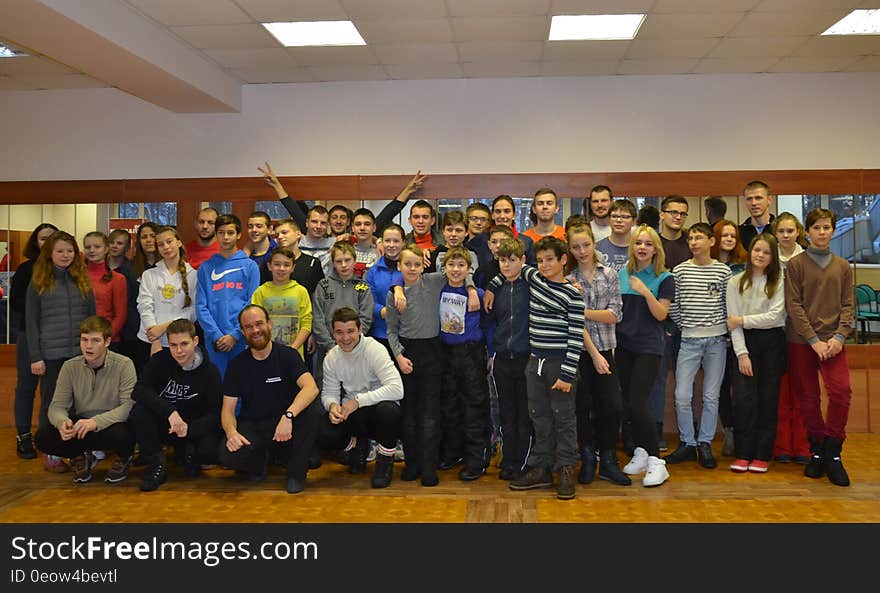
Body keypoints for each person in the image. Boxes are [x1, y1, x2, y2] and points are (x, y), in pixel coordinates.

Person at [485, 237, 585, 500]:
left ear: (563, 260)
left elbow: (576, 337)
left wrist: (566, 373)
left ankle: (564, 468)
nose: (544, 264)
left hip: (559, 363)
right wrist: (491, 288)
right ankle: (541, 467)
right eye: (540, 260)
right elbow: (507, 272)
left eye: (550, 259)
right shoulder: (534, 277)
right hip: (534, 362)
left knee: (563, 418)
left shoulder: (573, 294)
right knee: (538, 417)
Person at [385, 244, 478, 487]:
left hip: (432, 353)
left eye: (417, 264)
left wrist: (472, 288)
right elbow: (391, 330)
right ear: (399, 266)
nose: (412, 269)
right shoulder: (394, 294)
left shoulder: (434, 281)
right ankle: (412, 464)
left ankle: (428, 465)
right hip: (406, 353)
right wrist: (399, 356)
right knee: (409, 414)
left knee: (430, 414)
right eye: (407, 264)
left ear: (423, 265)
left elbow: (460, 269)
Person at [218, 304, 322, 494]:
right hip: (256, 426)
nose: (255, 330)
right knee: (227, 455)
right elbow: (227, 410)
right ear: (242, 331)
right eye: (248, 327)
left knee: (313, 411)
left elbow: (311, 388)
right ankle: (261, 462)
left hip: (287, 427)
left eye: (259, 324)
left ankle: (295, 474)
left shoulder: (288, 355)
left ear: (270, 324)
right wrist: (231, 432)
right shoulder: (236, 365)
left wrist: (288, 415)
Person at [784, 208, 854, 487]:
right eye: (816, 228)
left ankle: (833, 451)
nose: (822, 232)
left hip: (834, 343)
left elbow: (848, 305)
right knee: (809, 398)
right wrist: (813, 341)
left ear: (833, 230)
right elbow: (794, 305)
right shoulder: (797, 264)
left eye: (826, 227)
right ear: (808, 232)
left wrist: (838, 338)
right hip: (803, 342)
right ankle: (816, 449)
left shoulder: (843, 266)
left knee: (841, 393)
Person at [34, 315, 136, 484]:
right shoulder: (70, 366)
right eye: (84, 340)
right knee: (43, 436)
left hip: (112, 424)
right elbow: (56, 406)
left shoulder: (124, 364)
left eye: (95, 340)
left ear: (107, 342)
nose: (89, 346)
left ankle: (124, 458)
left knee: (126, 433)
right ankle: (79, 456)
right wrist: (62, 422)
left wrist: (96, 422)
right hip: (82, 425)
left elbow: (128, 407)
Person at [565, 221, 629, 486]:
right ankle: (588, 457)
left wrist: (581, 312)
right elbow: (571, 323)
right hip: (578, 353)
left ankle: (609, 459)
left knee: (612, 406)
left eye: (586, 245)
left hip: (606, 351)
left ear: (594, 243)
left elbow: (615, 315)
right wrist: (581, 317)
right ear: (569, 249)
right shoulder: (568, 280)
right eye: (576, 247)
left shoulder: (609, 275)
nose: (582, 251)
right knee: (581, 408)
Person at [27, 230, 96, 472]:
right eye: (60, 251)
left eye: (69, 251)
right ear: (50, 254)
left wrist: (93, 350)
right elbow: (31, 322)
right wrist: (36, 356)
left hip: (79, 354)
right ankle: (53, 452)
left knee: (78, 404)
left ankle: (75, 451)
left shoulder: (82, 279)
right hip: (51, 355)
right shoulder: (38, 281)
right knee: (51, 404)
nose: (65, 255)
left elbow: (92, 319)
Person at [664, 222, 732, 470]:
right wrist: (687, 327)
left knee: (711, 396)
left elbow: (728, 305)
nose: (693, 242)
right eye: (690, 238)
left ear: (711, 242)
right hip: (689, 340)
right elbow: (673, 305)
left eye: (699, 238)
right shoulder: (680, 271)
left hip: (716, 342)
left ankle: (704, 442)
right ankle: (687, 443)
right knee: (682, 395)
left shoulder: (723, 272)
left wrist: (722, 330)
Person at [130, 318, 223, 492]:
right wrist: (169, 412)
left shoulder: (210, 372)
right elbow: (139, 390)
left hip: (192, 426)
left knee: (211, 450)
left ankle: (188, 451)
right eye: (173, 345)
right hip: (166, 423)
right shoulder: (159, 361)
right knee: (139, 413)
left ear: (195, 341)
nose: (179, 351)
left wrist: (190, 429)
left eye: (184, 344)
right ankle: (157, 464)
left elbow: (216, 414)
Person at [319, 307, 403, 488]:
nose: (346, 338)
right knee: (323, 426)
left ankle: (385, 459)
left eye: (350, 331)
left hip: (378, 408)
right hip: (352, 412)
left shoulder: (374, 349)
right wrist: (332, 406)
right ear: (333, 333)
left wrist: (358, 401)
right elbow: (329, 393)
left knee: (388, 412)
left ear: (360, 329)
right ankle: (357, 446)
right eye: (339, 333)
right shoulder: (332, 357)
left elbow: (397, 389)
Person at [617, 226, 674, 487]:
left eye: (648, 244)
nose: (642, 247)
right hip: (624, 346)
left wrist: (645, 291)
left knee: (639, 402)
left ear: (655, 249)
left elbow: (662, 315)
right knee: (628, 403)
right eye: (638, 243)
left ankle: (656, 460)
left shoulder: (665, 277)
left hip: (649, 348)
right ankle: (641, 450)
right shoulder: (622, 274)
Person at [726, 234, 786, 474]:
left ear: (773, 257)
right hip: (744, 345)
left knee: (768, 399)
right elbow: (732, 323)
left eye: (766, 252)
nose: (760, 255)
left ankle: (762, 454)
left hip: (772, 343)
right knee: (743, 401)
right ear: (750, 252)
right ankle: (743, 453)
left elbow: (776, 317)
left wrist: (743, 319)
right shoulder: (735, 282)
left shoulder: (779, 282)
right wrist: (742, 354)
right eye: (756, 250)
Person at [259, 162, 426, 242]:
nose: (338, 221)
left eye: (342, 217)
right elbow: (294, 209)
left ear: (349, 223)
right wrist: (277, 185)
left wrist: (409, 190)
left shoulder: (362, 237)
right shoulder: (316, 235)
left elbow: (389, 212)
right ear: (328, 222)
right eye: (334, 217)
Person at [436, 246, 491, 481]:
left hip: (471, 353)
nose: (456, 270)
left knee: (473, 406)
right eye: (451, 265)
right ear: (444, 267)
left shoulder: (477, 294)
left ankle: (476, 459)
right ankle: (452, 452)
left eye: (461, 266)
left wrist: (490, 355)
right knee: (449, 405)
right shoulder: (437, 290)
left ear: (469, 269)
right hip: (445, 352)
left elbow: (488, 325)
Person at [485, 238, 533, 481]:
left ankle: (523, 461)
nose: (507, 265)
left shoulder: (531, 285)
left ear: (523, 261)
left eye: (512, 260)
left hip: (526, 357)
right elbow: (490, 323)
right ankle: (509, 459)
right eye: (503, 260)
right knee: (506, 413)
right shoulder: (496, 288)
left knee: (524, 414)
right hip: (502, 357)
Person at [647, 195, 692, 451]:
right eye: (673, 212)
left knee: (687, 381)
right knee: (657, 379)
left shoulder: (691, 243)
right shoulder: (652, 243)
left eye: (682, 213)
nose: (677, 217)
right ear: (662, 215)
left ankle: (691, 434)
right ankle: (655, 429)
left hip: (688, 322)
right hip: (658, 321)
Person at [10, 223, 57, 459]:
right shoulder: (25, 270)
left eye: (52, 238)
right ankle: (24, 437)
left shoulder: (65, 269)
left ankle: (48, 439)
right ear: (35, 243)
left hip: (56, 338)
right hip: (29, 336)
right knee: (26, 388)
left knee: (53, 392)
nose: (47, 243)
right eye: (42, 239)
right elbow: (17, 305)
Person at [196, 214, 261, 378]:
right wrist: (217, 335)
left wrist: (235, 334)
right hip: (214, 340)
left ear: (238, 235)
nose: (225, 237)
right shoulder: (206, 267)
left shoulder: (250, 266)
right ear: (216, 234)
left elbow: (252, 304)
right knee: (218, 385)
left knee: (242, 385)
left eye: (230, 233)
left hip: (242, 337)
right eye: (221, 232)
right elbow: (201, 306)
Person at [771, 212, 809, 464]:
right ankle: (782, 445)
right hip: (774, 331)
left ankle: (805, 446)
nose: (785, 235)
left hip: (802, 333)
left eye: (790, 231)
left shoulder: (807, 258)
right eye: (781, 231)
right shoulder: (768, 256)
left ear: (798, 232)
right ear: (775, 234)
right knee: (779, 392)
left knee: (803, 390)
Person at [710, 219, 748, 457]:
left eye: (733, 236)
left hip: (740, 334)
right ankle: (730, 432)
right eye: (724, 235)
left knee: (742, 388)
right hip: (716, 336)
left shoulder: (743, 267)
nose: (729, 240)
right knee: (721, 388)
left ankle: (745, 434)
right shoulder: (709, 265)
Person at [136, 226, 198, 362]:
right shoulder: (149, 274)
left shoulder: (193, 275)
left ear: (179, 242)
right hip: (149, 340)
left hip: (179, 343)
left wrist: (163, 328)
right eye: (161, 244)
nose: (166, 247)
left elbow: (193, 312)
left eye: (169, 242)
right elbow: (144, 306)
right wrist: (155, 337)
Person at [312, 242, 373, 371]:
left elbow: (366, 319)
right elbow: (317, 319)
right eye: (339, 261)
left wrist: (351, 342)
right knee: (326, 386)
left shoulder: (362, 287)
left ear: (355, 261)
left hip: (355, 349)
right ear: (333, 263)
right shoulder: (323, 285)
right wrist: (330, 346)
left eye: (347, 260)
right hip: (327, 350)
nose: (344, 265)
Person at [250, 247, 312, 361]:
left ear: (293, 268)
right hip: (266, 354)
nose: (281, 269)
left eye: (286, 265)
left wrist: (293, 349)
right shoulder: (260, 292)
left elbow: (306, 323)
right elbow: (255, 324)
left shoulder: (301, 291)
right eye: (277, 264)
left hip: (294, 354)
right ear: (269, 266)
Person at [83, 232, 128, 347]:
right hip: (82, 339)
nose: (92, 250)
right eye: (88, 247)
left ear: (106, 249)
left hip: (108, 341)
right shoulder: (77, 277)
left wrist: (104, 339)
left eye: (97, 247)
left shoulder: (118, 279)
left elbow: (120, 316)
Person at [365, 223, 405, 351]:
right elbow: (370, 301)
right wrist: (386, 312)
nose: (391, 245)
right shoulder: (373, 271)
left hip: (407, 332)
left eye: (396, 241)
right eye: (387, 241)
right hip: (381, 333)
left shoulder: (411, 268)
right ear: (381, 242)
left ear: (403, 242)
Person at [260, 218, 324, 293]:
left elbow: (320, 294)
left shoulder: (312, 263)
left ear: (298, 234)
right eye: (277, 235)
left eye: (284, 233)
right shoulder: (269, 263)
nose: (280, 237)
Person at [426, 210, 479, 275]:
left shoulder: (474, 254)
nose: (453, 234)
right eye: (449, 230)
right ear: (443, 231)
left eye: (458, 230)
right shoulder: (433, 256)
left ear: (466, 232)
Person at [596, 199, 637, 272]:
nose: (618, 220)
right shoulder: (597, 248)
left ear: (634, 221)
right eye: (614, 216)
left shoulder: (639, 249)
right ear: (609, 219)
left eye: (624, 217)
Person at [297, 205, 337, 276]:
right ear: (307, 223)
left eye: (323, 223)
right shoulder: (296, 241)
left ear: (328, 225)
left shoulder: (335, 243)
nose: (318, 226)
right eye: (314, 222)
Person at [739, 180, 776, 252]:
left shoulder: (779, 229)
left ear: (769, 200)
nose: (753, 203)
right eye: (749, 199)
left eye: (758, 198)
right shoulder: (740, 232)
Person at [350, 208, 379, 279]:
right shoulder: (346, 252)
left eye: (367, 224)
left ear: (374, 227)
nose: (362, 228)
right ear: (353, 228)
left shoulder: (381, 252)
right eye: (358, 224)